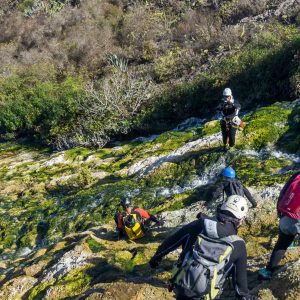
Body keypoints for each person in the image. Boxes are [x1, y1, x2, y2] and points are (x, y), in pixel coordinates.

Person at [149, 195, 258, 300]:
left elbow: (170, 243)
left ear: (221, 208)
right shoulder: (238, 244)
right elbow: (241, 290)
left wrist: (154, 260)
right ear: (241, 219)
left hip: (181, 285)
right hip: (206, 294)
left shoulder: (199, 224)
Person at [258, 171, 300, 279]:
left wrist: (280, 213)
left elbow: (283, 192)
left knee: (281, 244)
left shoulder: (296, 175)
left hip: (285, 215)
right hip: (298, 218)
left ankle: (268, 271)